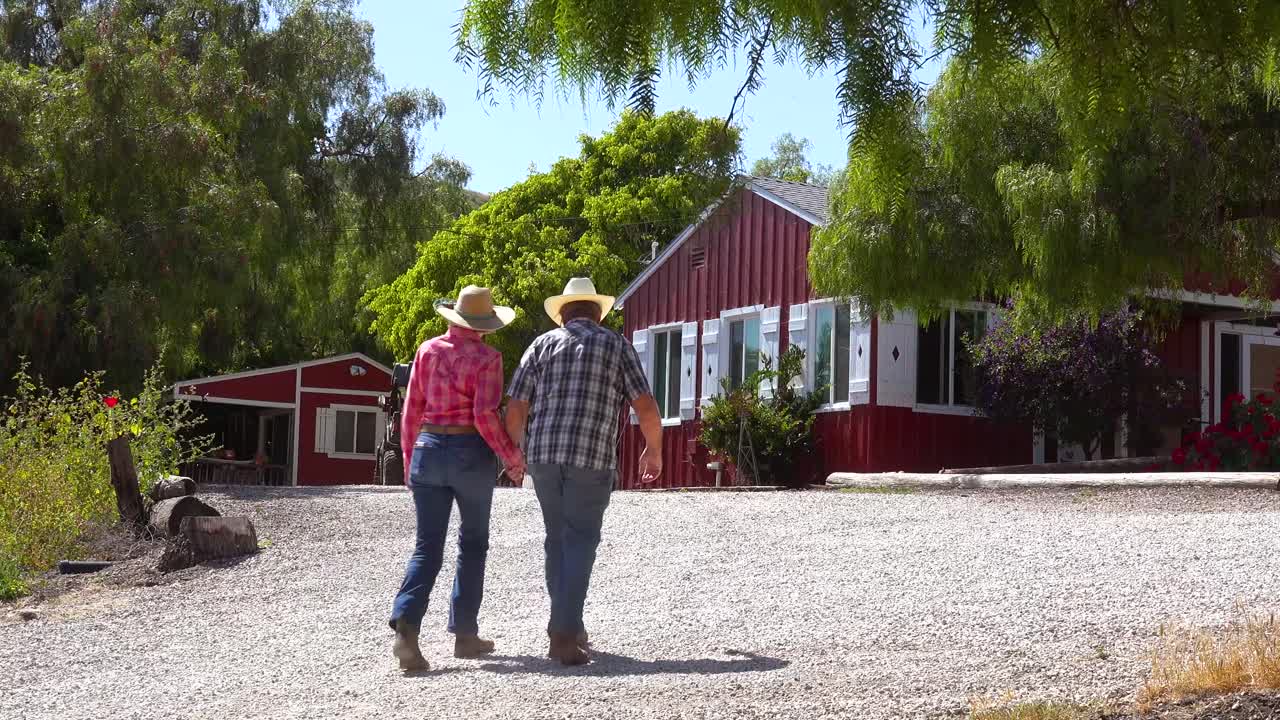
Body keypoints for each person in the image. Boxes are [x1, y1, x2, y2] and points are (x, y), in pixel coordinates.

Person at [505, 277, 664, 666]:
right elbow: (644, 405)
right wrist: (653, 450)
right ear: (597, 313)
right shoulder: (616, 345)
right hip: (591, 459)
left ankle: (569, 625)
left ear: (563, 315)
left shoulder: (541, 345)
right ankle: (562, 634)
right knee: (579, 542)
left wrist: (514, 452)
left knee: (556, 541)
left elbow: (516, 407)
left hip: (544, 457)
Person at [388, 285, 526, 671]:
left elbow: (411, 410)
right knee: (473, 544)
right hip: (469, 453)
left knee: (426, 546)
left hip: (429, 448)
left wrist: (410, 461)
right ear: (484, 325)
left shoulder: (427, 351)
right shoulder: (488, 358)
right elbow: (484, 416)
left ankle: (407, 628)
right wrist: (512, 457)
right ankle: (465, 634)